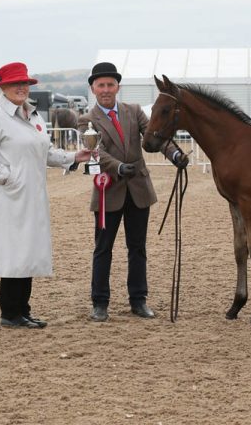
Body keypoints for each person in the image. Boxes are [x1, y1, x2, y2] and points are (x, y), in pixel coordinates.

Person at [0, 62, 92, 329]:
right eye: (16, 84)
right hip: (8, 197)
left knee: (27, 250)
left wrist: (74, 156)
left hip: (32, 195)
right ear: (3, 88)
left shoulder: (34, 116)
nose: (21, 88)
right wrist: (7, 177)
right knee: (12, 252)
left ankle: (22, 310)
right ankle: (10, 312)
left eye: (24, 83)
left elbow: (45, 152)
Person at [78, 62, 189, 322]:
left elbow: (154, 135)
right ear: (93, 89)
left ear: (117, 87)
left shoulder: (134, 111)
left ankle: (139, 300)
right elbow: (95, 152)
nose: (106, 89)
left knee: (137, 248)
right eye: (101, 85)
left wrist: (175, 154)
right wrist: (118, 167)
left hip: (138, 189)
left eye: (110, 84)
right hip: (109, 190)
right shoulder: (87, 120)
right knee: (103, 248)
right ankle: (100, 303)